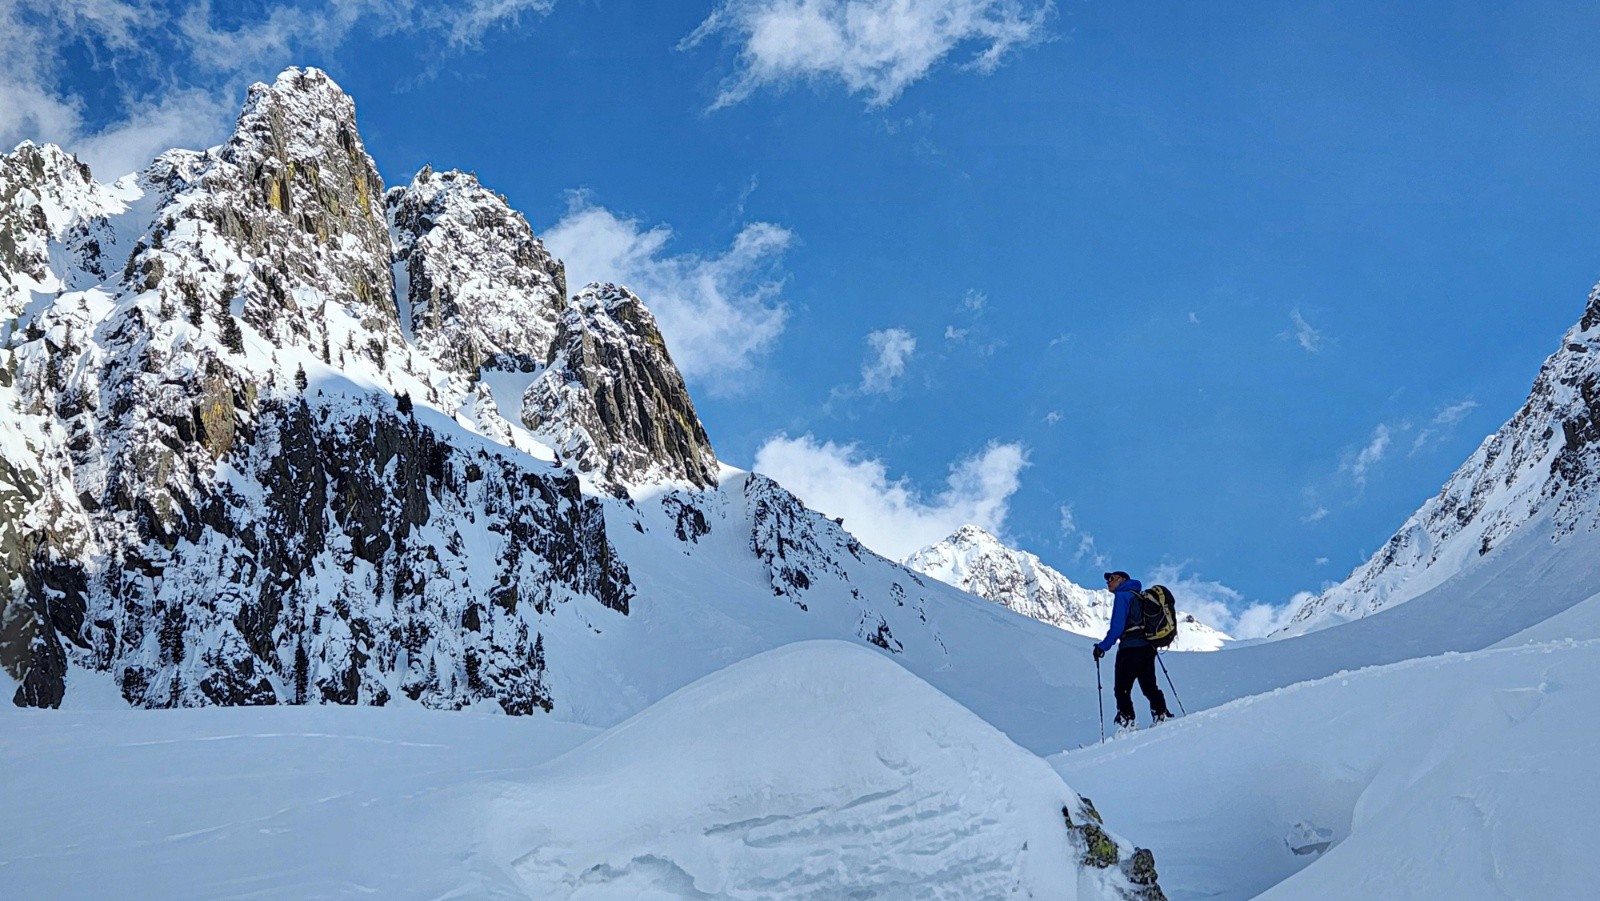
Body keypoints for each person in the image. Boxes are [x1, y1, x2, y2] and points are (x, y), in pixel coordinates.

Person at [1093, 571, 1172, 729]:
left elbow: (1117, 628)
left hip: (1129, 649)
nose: (1108, 582)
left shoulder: (1122, 596)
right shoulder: (1139, 596)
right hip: (1147, 648)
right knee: (1149, 686)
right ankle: (1161, 714)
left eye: (1111, 578)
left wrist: (1102, 647)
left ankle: (1127, 721)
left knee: (1122, 688)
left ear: (1122, 580)